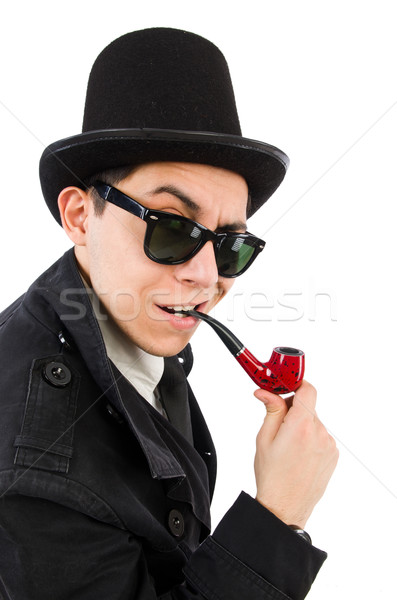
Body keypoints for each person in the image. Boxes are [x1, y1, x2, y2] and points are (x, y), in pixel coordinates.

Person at [0, 27, 338, 600]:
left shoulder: (128, 321)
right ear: (81, 217)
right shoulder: (35, 466)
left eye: (231, 244)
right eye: (172, 227)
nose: (207, 277)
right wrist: (277, 518)